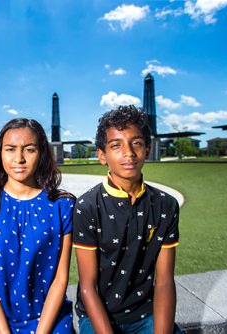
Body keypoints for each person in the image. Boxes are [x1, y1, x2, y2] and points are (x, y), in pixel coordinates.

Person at [0, 118, 75, 334]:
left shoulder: (62, 206)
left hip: (50, 320)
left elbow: (60, 279)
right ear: (0, 153)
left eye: (29, 150)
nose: (19, 159)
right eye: (10, 149)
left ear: (41, 153)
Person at [73, 106, 181, 334]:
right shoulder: (87, 206)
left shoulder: (166, 205)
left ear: (148, 149)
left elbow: (164, 282)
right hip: (98, 315)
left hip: (145, 313)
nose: (129, 153)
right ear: (102, 155)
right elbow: (88, 287)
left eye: (137, 143)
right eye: (116, 145)